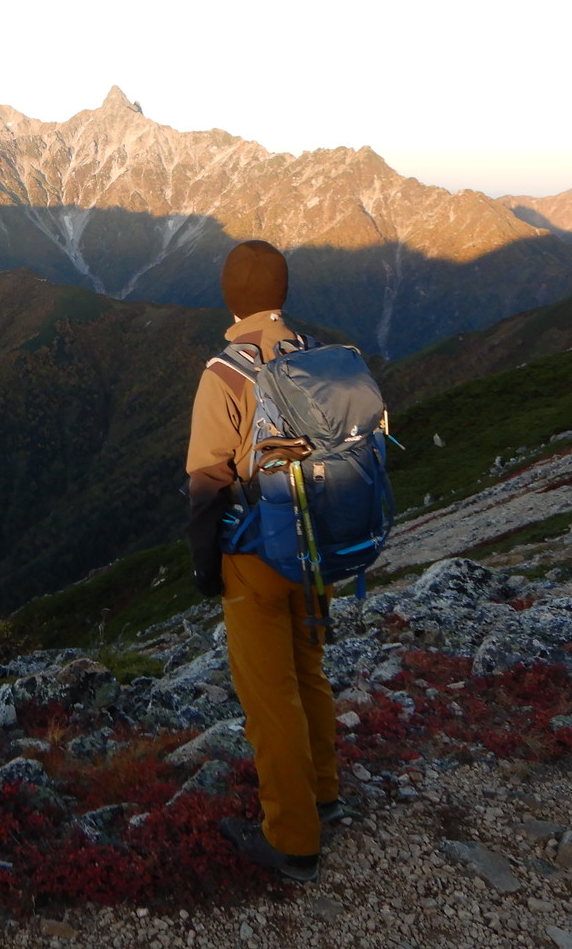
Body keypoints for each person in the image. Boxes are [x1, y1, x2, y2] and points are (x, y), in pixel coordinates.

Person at [186, 239, 339, 883]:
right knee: (309, 671)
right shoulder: (318, 360)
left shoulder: (224, 375)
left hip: (255, 555)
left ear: (230, 298)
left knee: (267, 694)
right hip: (317, 544)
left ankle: (293, 840)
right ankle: (324, 794)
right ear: (283, 295)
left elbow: (205, 480)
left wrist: (205, 565)